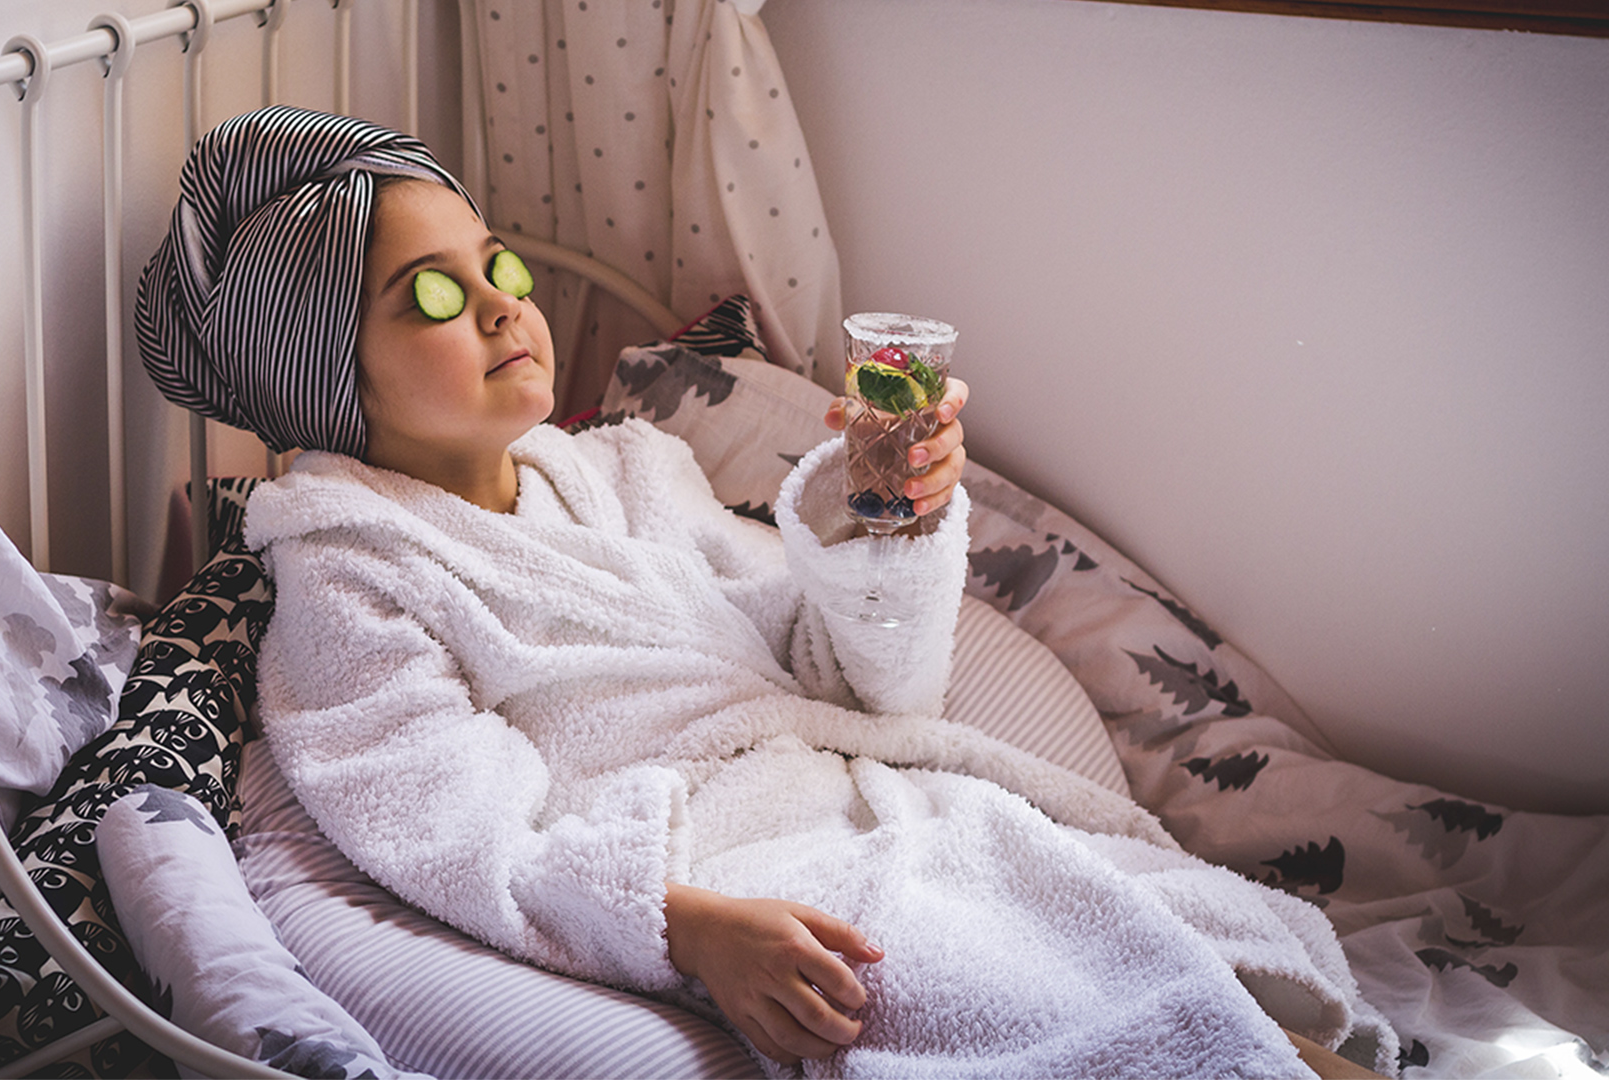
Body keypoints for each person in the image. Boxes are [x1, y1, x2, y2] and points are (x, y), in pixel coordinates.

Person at [139, 106, 1387, 1078]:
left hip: (859, 797)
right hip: (739, 868)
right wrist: (682, 925)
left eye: (495, 264)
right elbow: (457, 831)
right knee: (1030, 989)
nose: (501, 307)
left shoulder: (631, 467)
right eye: (429, 295)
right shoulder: (349, 574)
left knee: (1169, 938)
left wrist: (872, 515)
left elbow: (838, 674)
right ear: (318, 373)